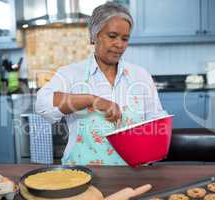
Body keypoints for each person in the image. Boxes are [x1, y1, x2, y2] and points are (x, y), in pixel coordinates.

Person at [35, 2, 166, 166]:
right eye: (112, 36)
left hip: (134, 172)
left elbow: (156, 120)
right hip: (82, 172)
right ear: (94, 35)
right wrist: (92, 100)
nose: (119, 44)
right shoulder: (70, 74)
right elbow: (42, 104)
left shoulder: (140, 75)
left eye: (125, 39)